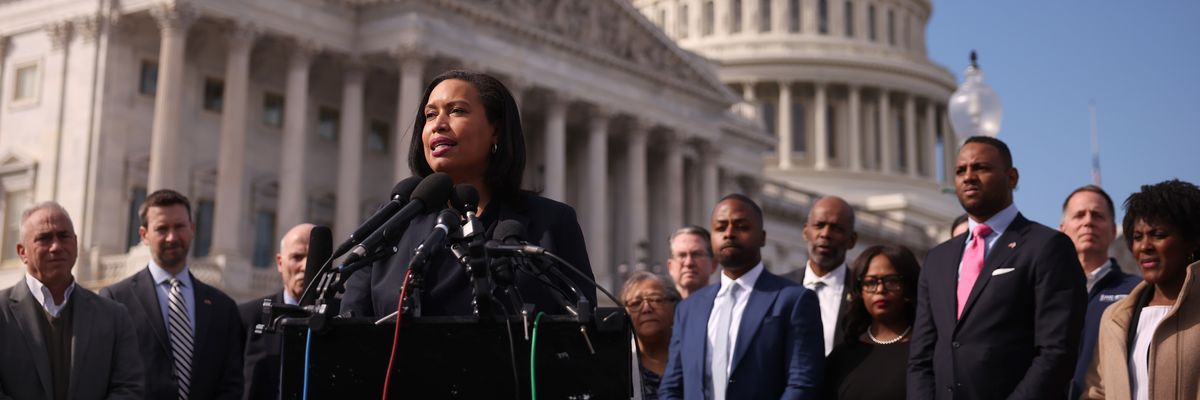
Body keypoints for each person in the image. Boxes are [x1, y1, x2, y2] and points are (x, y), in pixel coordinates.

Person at [341, 70, 595, 317]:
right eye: (430, 115)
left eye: (457, 111)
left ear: (495, 130)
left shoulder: (551, 223)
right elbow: (350, 326)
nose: (438, 124)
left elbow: (584, 333)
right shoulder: (390, 227)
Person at [907, 136, 1087, 399]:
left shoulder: (1047, 246)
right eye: (960, 170)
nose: (968, 177)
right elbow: (922, 356)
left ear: (1012, 177)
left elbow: (1056, 350)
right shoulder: (937, 259)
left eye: (980, 167)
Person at [659, 194, 824, 400]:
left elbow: (802, 383)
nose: (729, 233)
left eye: (741, 227)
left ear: (762, 237)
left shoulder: (794, 300)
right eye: (720, 228)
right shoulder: (688, 308)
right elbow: (671, 387)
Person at [101, 189, 244, 400]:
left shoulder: (223, 307)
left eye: (179, 227)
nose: (172, 237)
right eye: (161, 229)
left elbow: (231, 384)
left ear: (192, 229)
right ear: (144, 235)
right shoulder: (115, 299)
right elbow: (107, 377)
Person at [0, 202, 144, 399]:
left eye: (63, 236)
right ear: (22, 252)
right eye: (44, 238)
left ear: (75, 243)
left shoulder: (114, 317)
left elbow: (129, 389)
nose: (56, 246)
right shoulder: (2, 313)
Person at [1083, 179, 1200, 400]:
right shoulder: (1114, 318)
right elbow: (1097, 391)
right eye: (1137, 237)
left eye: (1158, 235)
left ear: (1192, 241)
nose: (1144, 246)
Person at [1059, 185, 1140, 399]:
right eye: (1079, 215)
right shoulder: (1040, 291)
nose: (1088, 222)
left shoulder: (1138, 292)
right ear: (1063, 229)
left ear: (1114, 230)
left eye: (1097, 215)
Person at [824, 245, 921, 400]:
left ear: (909, 287)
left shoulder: (927, 352)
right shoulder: (842, 356)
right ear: (860, 291)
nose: (880, 289)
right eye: (870, 282)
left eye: (891, 281)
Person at [239, 223, 313, 400]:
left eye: (314, 257)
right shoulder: (246, 318)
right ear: (280, 263)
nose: (305, 266)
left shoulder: (343, 317)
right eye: (297, 257)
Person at [784, 196, 858, 355]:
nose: (825, 234)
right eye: (819, 225)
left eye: (836, 228)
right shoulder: (778, 288)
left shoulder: (862, 293)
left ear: (852, 240)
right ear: (805, 232)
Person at [622, 271, 681, 400]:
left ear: (675, 306)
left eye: (655, 299)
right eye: (636, 303)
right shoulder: (620, 366)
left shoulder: (692, 357)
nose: (646, 308)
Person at [666, 226, 716, 299]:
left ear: (714, 264)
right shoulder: (659, 308)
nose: (689, 263)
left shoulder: (724, 306)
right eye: (682, 255)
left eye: (697, 254)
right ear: (670, 266)